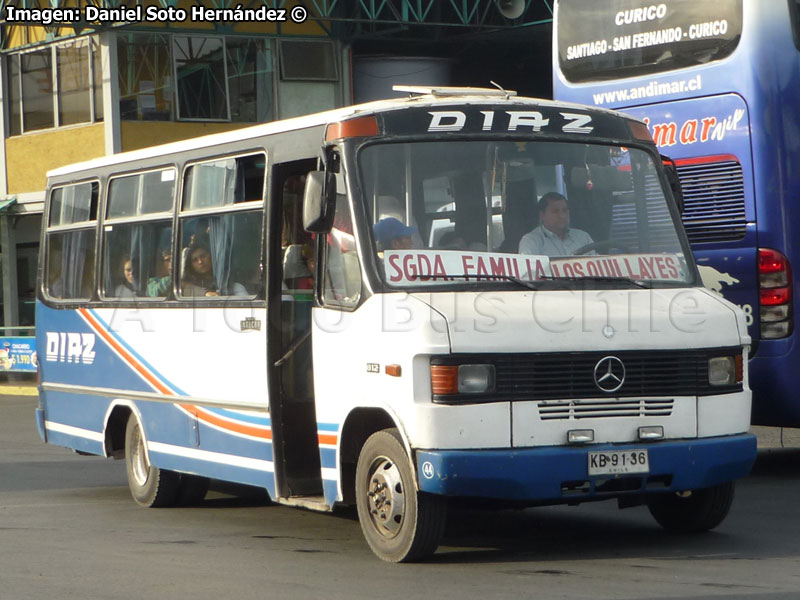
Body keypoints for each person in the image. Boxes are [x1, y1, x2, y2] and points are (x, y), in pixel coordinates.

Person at [518, 192, 594, 256]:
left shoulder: (583, 237)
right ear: (542, 215)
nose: (562, 216)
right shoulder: (531, 241)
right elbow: (528, 271)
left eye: (565, 210)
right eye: (555, 211)